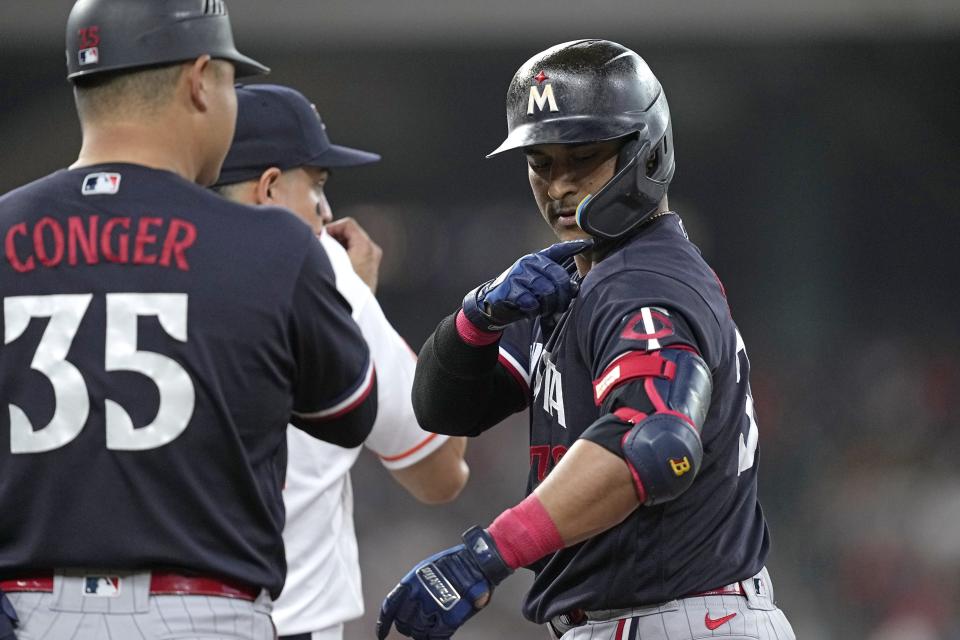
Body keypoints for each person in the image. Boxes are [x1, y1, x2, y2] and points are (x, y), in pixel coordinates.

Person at [376, 39, 797, 640]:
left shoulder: (638, 282)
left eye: (584, 157)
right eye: (541, 162)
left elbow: (655, 446)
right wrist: (478, 322)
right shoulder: (582, 279)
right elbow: (444, 407)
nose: (560, 185)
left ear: (645, 153)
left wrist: (487, 555)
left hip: (676, 618)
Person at [0, 2, 377, 640]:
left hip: (25, 610)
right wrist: (354, 300)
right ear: (200, 80)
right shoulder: (276, 247)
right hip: (203, 613)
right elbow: (347, 412)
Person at [212, 84, 470, 640]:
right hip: (289, 618)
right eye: (317, 187)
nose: (326, 211)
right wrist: (361, 307)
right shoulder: (323, 270)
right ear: (270, 188)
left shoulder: (133, 262)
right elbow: (440, 473)